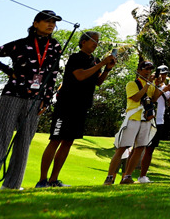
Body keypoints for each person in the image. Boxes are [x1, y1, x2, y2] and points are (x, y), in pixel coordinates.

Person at [0, 9, 65, 192]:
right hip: (12, 96)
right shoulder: (20, 44)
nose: (51, 24)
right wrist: (9, 72)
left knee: (24, 143)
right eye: (47, 21)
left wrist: (46, 99)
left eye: (54, 22)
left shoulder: (55, 46)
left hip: (36, 100)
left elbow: (53, 74)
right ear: (36, 23)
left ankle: (12, 185)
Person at [37, 31, 116, 188]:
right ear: (83, 42)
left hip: (82, 106)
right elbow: (80, 76)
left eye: (97, 41)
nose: (96, 43)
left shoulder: (95, 60)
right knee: (55, 140)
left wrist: (107, 69)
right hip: (66, 105)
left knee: (68, 142)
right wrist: (100, 65)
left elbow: (98, 82)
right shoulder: (75, 58)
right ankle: (42, 180)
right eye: (93, 40)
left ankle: (54, 180)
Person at [105, 60, 162, 185]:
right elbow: (136, 97)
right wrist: (147, 84)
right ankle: (110, 177)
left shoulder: (151, 85)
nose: (148, 72)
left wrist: (157, 85)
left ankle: (127, 176)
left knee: (140, 148)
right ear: (139, 71)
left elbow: (155, 98)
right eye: (145, 69)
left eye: (150, 69)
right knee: (122, 148)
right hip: (133, 118)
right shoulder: (132, 84)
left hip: (146, 119)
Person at [137, 64, 170, 182]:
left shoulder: (166, 87)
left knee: (150, 149)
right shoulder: (150, 84)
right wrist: (162, 89)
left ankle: (143, 175)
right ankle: (127, 173)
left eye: (165, 74)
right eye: (161, 74)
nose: (163, 77)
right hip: (145, 118)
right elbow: (152, 99)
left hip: (159, 121)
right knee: (138, 147)